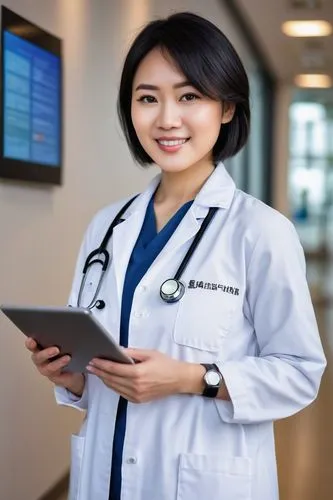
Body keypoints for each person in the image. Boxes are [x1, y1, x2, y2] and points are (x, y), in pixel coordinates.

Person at [25, 11, 326, 500]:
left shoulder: (261, 231)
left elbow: (299, 373)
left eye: (189, 96)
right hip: (106, 479)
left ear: (226, 108)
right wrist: (70, 374)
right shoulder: (108, 226)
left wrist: (192, 379)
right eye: (148, 99)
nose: (166, 119)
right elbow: (95, 369)